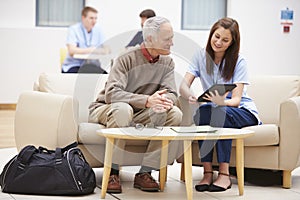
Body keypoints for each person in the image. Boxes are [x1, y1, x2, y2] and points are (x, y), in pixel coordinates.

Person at [89, 16, 182, 193]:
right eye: (167, 39)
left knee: (174, 113)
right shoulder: (126, 57)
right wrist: (147, 100)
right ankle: (113, 172)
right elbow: (112, 94)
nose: (172, 43)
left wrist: (163, 101)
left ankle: (145, 173)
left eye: (172, 38)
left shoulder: (167, 62)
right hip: (107, 108)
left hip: (140, 112)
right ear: (149, 39)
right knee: (123, 109)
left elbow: (172, 93)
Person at [179, 17, 261, 192]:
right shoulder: (200, 56)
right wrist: (191, 95)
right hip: (214, 108)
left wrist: (221, 101)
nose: (218, 42)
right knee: (203, 112)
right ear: (211, 35)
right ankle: (207, 172)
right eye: (216, 37)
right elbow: (183, 86)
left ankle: (224, 174)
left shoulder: (239, 61)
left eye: (225, 40)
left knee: (219, 111)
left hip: (242, 111)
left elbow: (236, 101)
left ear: (232, 43)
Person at [62, 6, 110, 73]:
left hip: (92, 66)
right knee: (82, 77)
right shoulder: (74, 29)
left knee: (106, 76)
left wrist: (95, 50)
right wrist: (91, 50)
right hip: (75, 65)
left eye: (95, 18)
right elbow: (71, 51)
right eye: (91, 18)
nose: (94, 21)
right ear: (83, 18)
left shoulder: (98, 30)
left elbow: (107, 50)